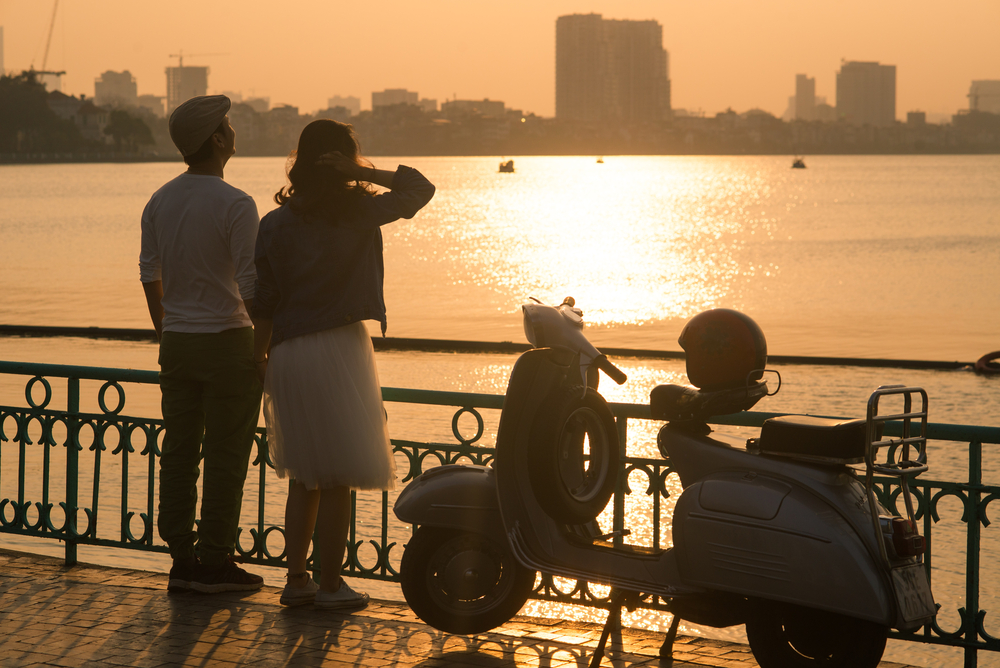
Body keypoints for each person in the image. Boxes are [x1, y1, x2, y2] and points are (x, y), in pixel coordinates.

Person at [252, 119, 435, 609]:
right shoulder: (357, 213)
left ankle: (297, 581)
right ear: (340, 160)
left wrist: (259, 354)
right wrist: (363, 171)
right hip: (337, 349)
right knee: (335, 479)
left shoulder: (274, 224)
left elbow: (264, 299)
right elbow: (421, 189)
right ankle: (331, 585)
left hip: (288, 351)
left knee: (305, 476)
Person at [139, 95, 264, 593]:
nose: (233, 131)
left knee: (179, 450)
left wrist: (165, 327)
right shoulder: (236, 203)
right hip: (229, 340)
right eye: (227, 126)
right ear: (216, 139)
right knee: (228, 453)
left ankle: (180, 556)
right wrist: (263, 348)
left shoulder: (160, 199)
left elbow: (150, 271)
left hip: (179, 341)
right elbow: (251, 284)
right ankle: (214, 561)